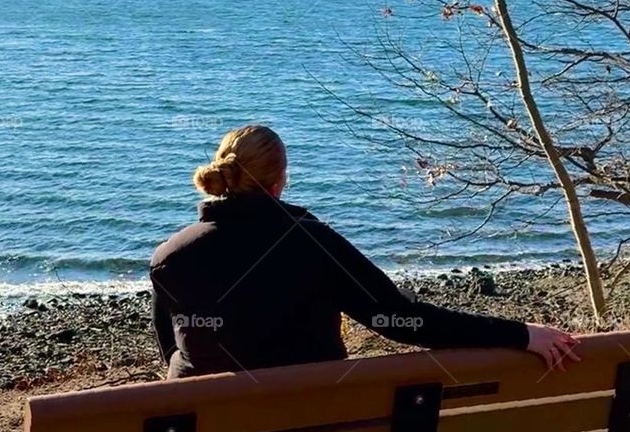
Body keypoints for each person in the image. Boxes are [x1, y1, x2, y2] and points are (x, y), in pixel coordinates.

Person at [150, 124, 579, 378]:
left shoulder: (170, 256)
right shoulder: (313, 244)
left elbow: (171, 343)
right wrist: (521, 334)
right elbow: (401, 319)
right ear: (279, 182)